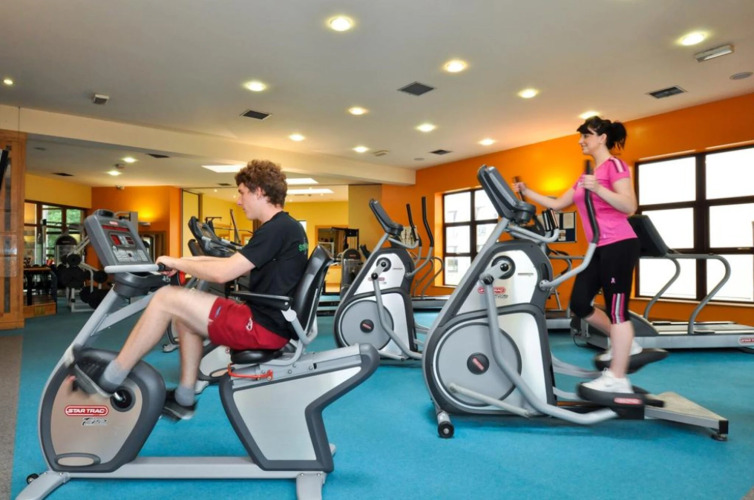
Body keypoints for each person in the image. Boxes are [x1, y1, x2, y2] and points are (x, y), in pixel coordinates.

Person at [74, 159, 309, 419]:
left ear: (259, 192)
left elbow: (223, 273)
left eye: (242, 193)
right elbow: (234, 263)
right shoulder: (287, 227)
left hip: (261, 327)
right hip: (270, 321)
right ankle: (184, 397)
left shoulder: (275, 229)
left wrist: (177, 263)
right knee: (185, 316)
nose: (239, 200)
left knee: (166, 297)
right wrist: (181, 262)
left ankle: (110, 377)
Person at [514, 116, 641, 398]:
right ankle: (626, 343)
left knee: (617, 311)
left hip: (619, 243)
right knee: (580, 303)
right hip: (598, 247)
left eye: (586, 135)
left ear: (602, 138)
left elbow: (629, 206)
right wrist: (527, 192)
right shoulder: (585, 177)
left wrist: (599, 189)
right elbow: (559, 204)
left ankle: (617, 378)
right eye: (581, 136)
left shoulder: (615, 166)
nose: (581, 141)